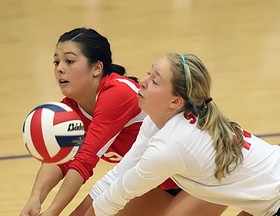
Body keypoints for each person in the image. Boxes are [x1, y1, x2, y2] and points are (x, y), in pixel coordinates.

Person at [83, 53, 280, 216]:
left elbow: (117, 195)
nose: (142, 82)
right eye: (148, 74)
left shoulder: (171, 145)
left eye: (155, 81)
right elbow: (117, 176)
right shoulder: (155, 122)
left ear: (176, 102)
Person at [19, 27, 148, 216]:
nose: (60, 68)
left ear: (96, 68)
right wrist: (35, 198)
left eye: (69, 61)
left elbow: (84, 161)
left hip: (180, 173)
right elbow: (60, 157)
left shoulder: (117, 94)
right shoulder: (71, 108)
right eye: (56, 61)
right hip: (146, 175)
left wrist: (53, 211)